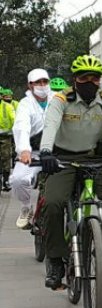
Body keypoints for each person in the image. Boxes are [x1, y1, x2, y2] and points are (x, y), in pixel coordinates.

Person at [39, 54, 102, 290]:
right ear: (75, 79)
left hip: (97, 159)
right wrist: (45, 152)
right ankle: (55, 260)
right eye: (85, 77)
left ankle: (100, 236)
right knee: (52, 203)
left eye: (95, 78)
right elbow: (50, 126)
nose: (90, 82)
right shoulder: (61, 100)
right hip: (63, 160)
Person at [11, 69, 54, 229]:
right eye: (38, 82)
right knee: (18, 179)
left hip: (57, 152)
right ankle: (26, 207)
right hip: (34, 153)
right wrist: (24, 150)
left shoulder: (58, 98)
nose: (42, 85)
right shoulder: (25, 103)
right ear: (30, 85)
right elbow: (22, 126)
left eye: (45, 82)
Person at [0, 88, 16, 191]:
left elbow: (15, 120)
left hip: (5, 137)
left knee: (5, 158)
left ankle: (6, 181)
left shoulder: (8, 106)